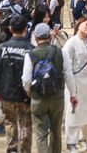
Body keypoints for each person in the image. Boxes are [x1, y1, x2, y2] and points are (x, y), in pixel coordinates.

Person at [21, 23, 75, 153]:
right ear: (50, 37)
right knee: (56, 130)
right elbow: (68, 74)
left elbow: (26, 79)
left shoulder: (30, 55)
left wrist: (29, 91)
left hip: (38, 97)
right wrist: (73, 93)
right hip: (57, 96)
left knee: (41, 133)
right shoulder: (60, 52)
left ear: (36, 37)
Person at [0, 14, 34, 153]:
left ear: (10, 29)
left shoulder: (2, 48)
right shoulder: (31, 49)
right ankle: (25, 150)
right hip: (25, 94)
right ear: (26, 29)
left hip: (6, 93)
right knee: (25, 124)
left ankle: (12, 148)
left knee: (10, 122)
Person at [61, 19, 87, 153]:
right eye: (86, 24)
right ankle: (71, 143)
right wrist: (70, 84)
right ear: (78, 26)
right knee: (74, 111)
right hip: (74, 81)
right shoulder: (71, 43)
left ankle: (83, 140)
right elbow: (66, 64)